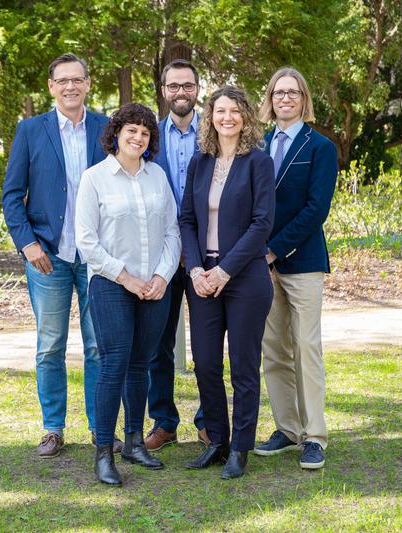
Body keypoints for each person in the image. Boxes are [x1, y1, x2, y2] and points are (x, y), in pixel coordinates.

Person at [2, 53, 121, 459]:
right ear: (51, 86)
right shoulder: (30, 131)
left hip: (96, 256)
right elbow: (12, 196)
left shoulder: (108, 128)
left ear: (88, 83)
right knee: (50, 345)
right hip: (47, 256)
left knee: (98, 346)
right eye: (62, 81)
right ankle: (53, 429)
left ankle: (99, 428)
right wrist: (28, 243)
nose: (70, 87)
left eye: (77, 79)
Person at [75, 103, 180, 486]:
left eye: (145, 133)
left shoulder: (157, 177)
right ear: (116, 133)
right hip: (110, 284)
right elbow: (87, 242)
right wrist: (128, 279)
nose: (138, 138)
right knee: (114, 362)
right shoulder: (95, 179)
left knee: (142, 363)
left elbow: (172, 231)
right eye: (131, 130)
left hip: (155, 285)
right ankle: (105, 451)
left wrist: (161, 276)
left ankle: (136, 442)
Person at [180, 86, 275, 479]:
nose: (228, 117)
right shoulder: (200, 162)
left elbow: (261, 224)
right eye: (221, 111)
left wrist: (225, 271)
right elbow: (186, 219)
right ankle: (217, 440)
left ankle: (240, 447)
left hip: (244, 278)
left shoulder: (258, 162)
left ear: (246, 117)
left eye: (235, 111)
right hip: (202, 278)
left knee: (243, 366)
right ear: (211, 116)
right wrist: (196, 270)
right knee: (204, 363)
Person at [253, 67, 338, 470]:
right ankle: (287, 429)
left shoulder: (319, 147)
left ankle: (314, 436)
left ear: (304, 99)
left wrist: (273, 250)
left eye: (293, 93)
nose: (285, 99)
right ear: (269, 99)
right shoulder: (259, 144)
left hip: (301, 262)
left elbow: (315, 210)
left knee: (306, 347)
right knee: (273, 349)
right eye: (278, 92)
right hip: (261, 265)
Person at [146, 59, 207, 451]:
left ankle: (209, 421)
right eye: (173, 86)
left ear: (197, 89)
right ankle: (164, 421)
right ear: (164, 90)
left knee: (206, 345)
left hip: (206, 255)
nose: (180, 92)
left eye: (187, 85)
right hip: (161, 257)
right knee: (157, 343)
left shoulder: (216, 131)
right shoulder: (148, 136)